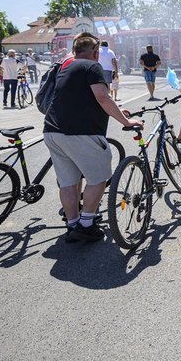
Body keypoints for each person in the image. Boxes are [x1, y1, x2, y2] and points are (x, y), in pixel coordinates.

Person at [43, 32, 143, 242]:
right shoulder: (92, 67)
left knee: (68, 182)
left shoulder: (65, 66)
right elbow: (102, 97)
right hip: (80, 133)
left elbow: (84, 98)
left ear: (74, 51)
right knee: (98, 179)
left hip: (53, 131)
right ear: (96, 53)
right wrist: (126, 122)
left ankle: (72, 224)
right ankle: (86, 224)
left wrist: (116, 110)